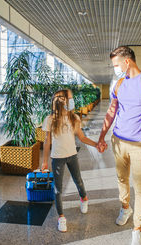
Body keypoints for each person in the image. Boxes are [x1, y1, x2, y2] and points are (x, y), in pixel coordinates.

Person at [97, 46, 141, 245]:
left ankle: (137, 229)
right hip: (119, 141)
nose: (115, 68)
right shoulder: (119, 84)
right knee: (121, 179)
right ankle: (125, 208)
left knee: (140, 187)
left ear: (127, 62)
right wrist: (101, 136)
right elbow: (111, 111)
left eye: (116, 65)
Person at [41, 89, 98, 232]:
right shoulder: (50, 119)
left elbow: (82, 138)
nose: (72, 101)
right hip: (57, 158)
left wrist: (97, 145)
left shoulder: (74, 118)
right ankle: (61, 217)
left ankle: (84, 198)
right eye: (70, 98)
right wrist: (44, 161)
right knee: (58, 189)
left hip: (72, 155)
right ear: (61, 101)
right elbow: (47, 142)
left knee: (78, 180)